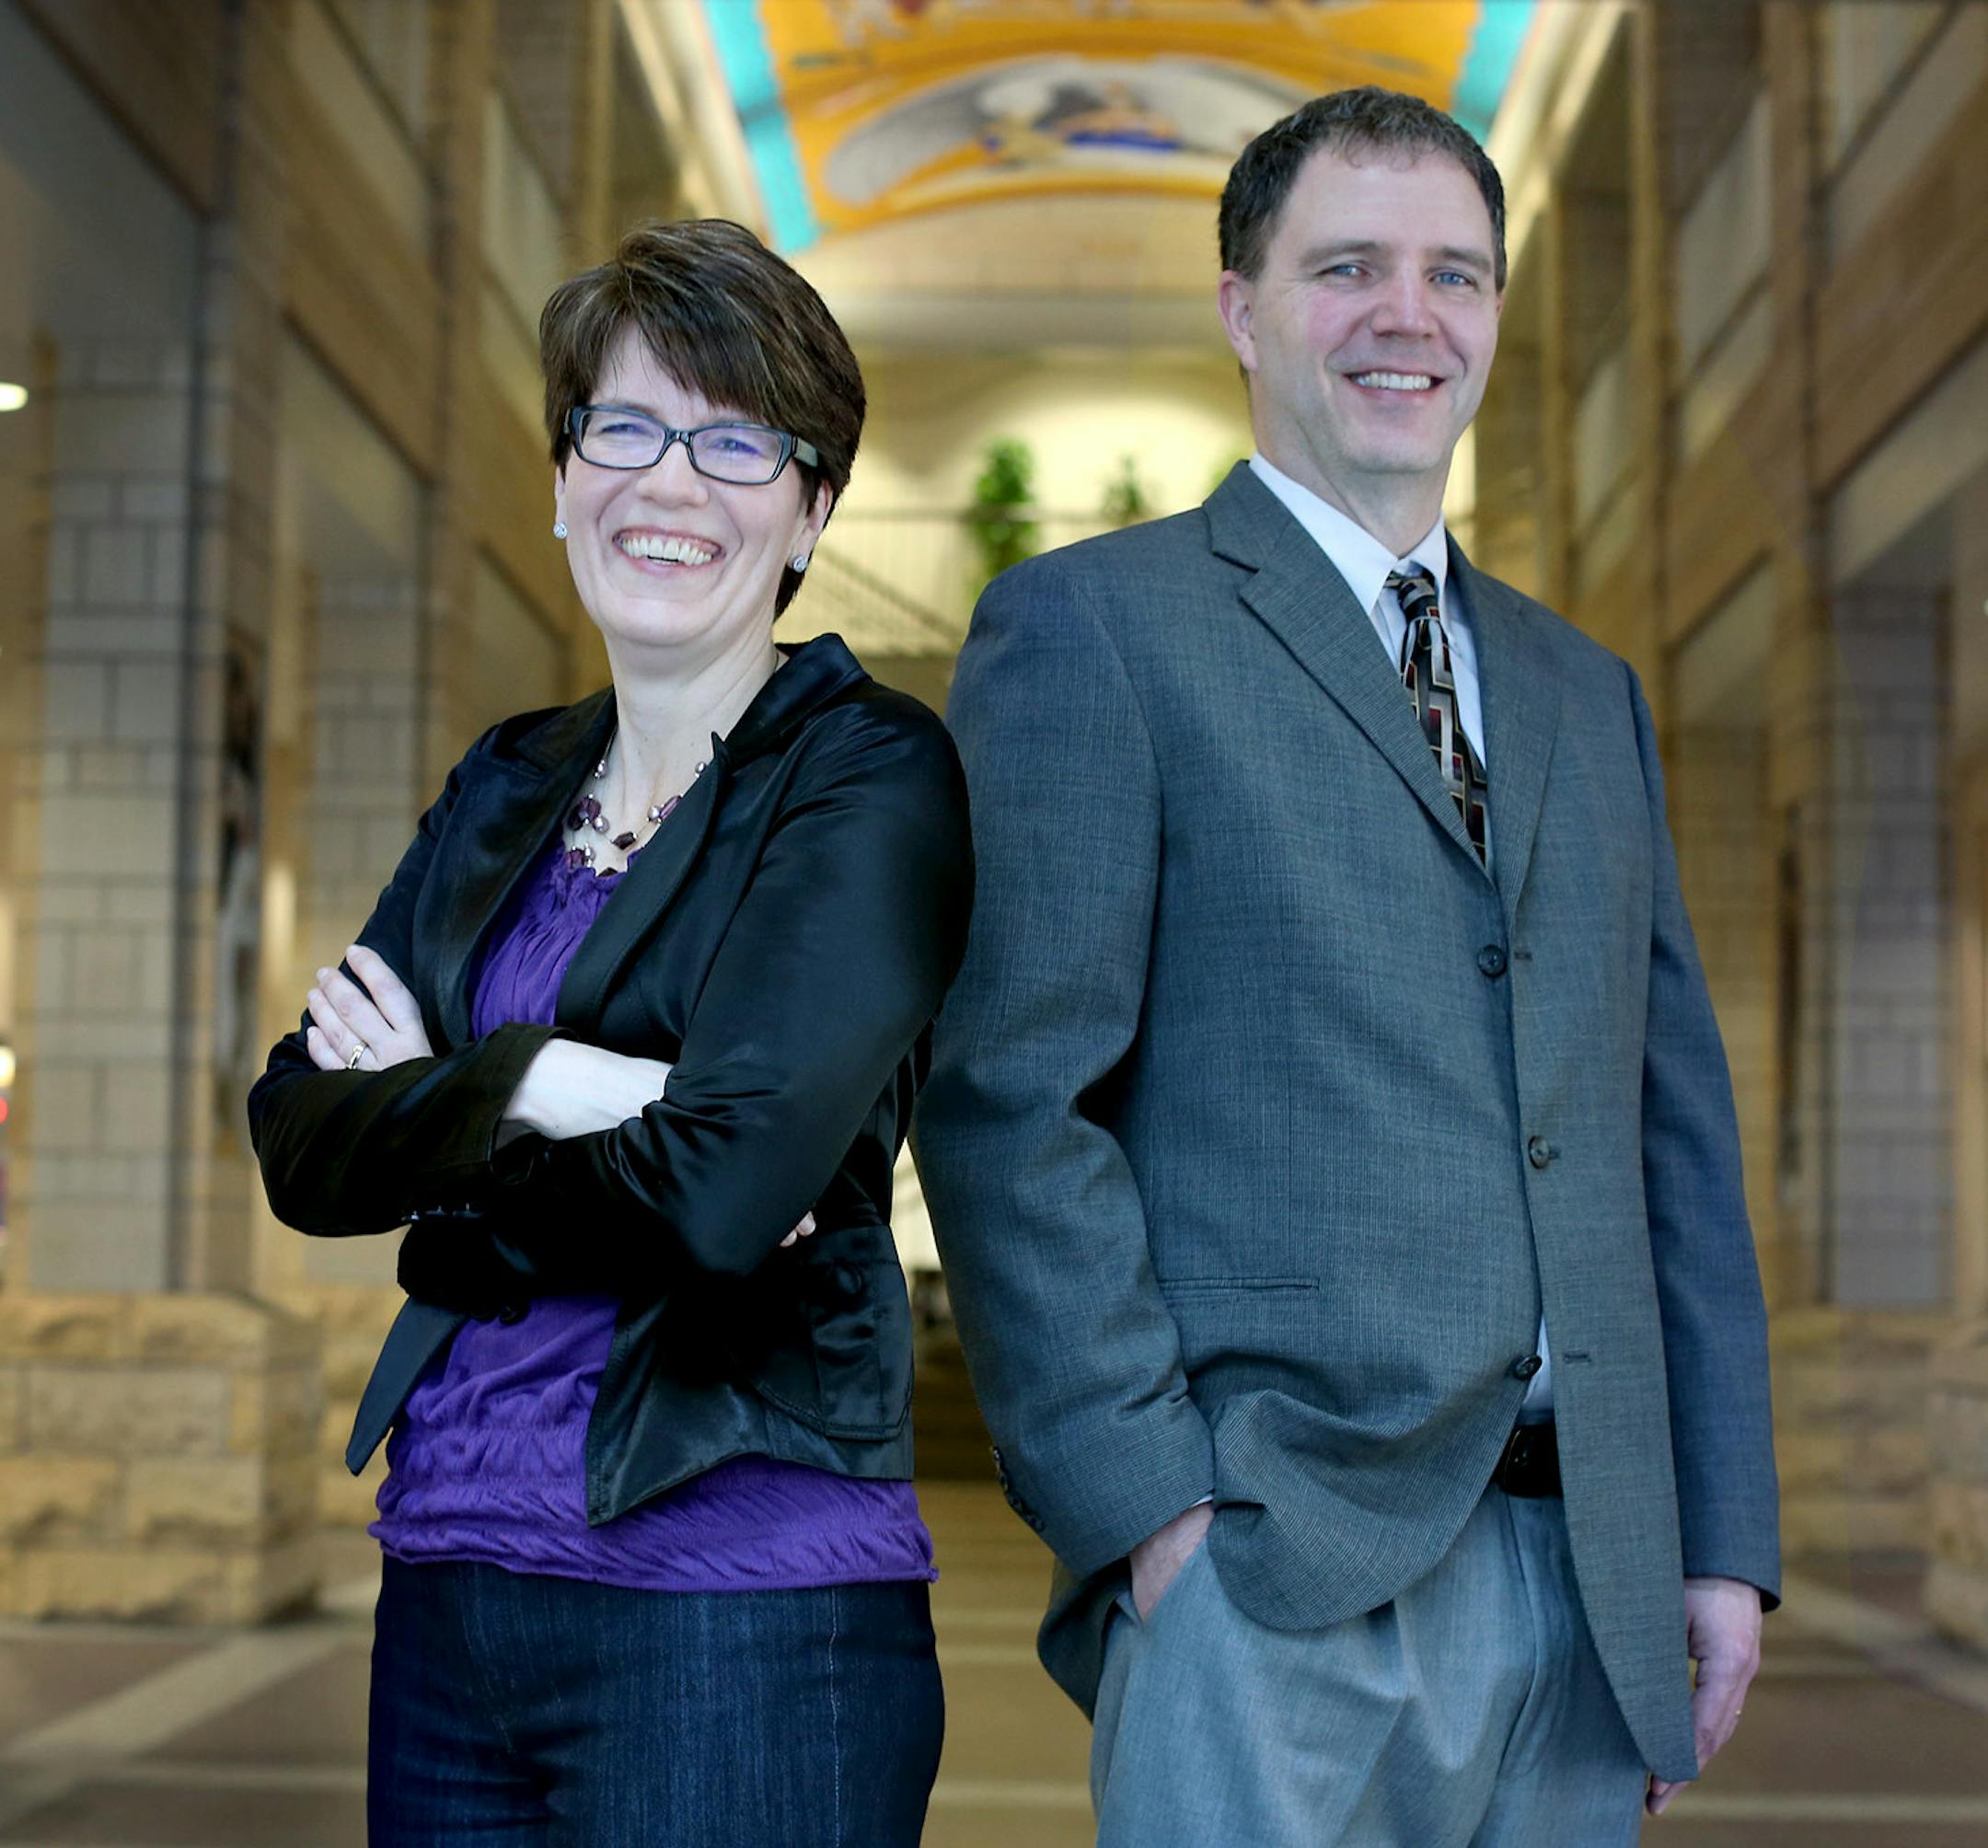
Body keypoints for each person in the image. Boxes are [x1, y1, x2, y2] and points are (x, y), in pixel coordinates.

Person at [914, 87, 1778, 1845]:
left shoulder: (1587, 692)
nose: (1411, 315)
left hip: (1590, 1582)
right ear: (1243, 310)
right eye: (1350, 268)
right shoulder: (1096, 631)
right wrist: (1151, 1515)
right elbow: (1010, 1102)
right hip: (1270, 1575)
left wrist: (1720, 1537)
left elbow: (1666, 1135)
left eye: (1455, 274)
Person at [248, 218, 972, 1847]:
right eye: (624, 428)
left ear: (813, 511)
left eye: (737, 443)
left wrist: (444, 1122)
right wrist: (558, 1082)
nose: (670, 483)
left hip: (738, 1599)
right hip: (449, 1571)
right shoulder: (506, 779)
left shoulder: (864, 772)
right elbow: (296, 1135)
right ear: (566, 476)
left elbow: (725, 1195)